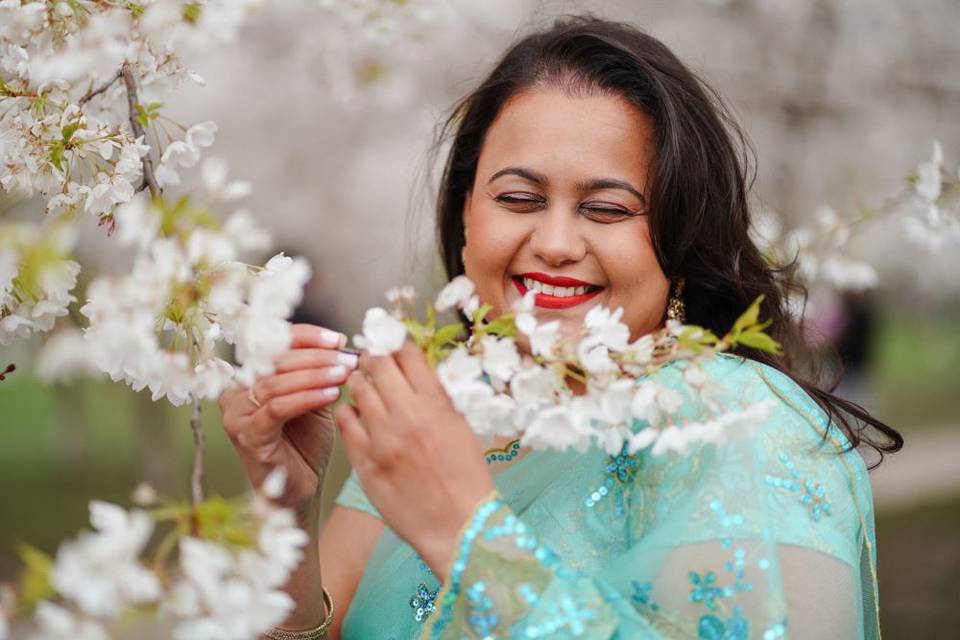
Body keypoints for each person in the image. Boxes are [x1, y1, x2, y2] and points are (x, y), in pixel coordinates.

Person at [218, 15, 902, 639]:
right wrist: (285, 510)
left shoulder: (743, 425)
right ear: (465, 215)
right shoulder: (438, 410)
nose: (553, 241)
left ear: (682, 234)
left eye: (606, 209)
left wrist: (465, 530)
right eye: (518, 199)